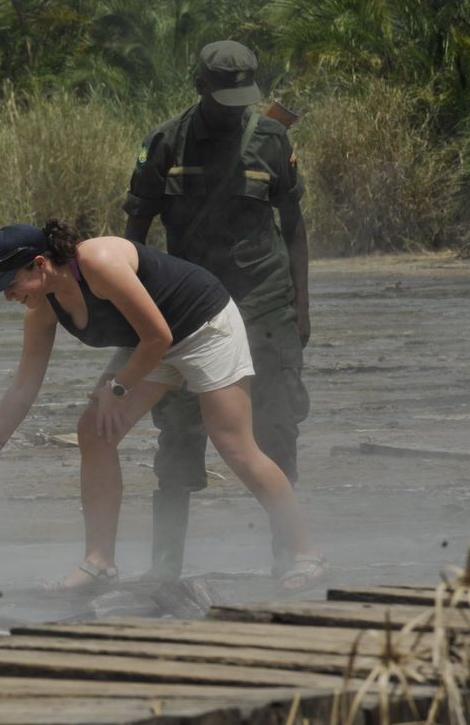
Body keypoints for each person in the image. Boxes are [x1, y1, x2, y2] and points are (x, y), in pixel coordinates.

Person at [0, 220, 323, 592]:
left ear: (39, 264)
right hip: (152, 346)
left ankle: (308, 553)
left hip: (204, 327)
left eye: (10, 285)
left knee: (235, 445)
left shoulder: (99, 262)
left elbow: (158, 336)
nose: (8, 296)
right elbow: (25, 384)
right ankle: (99, 563)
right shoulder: (42, 307)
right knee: (94, 431)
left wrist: (117, 388)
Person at [123, 40, 311, 583]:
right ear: (199, 87)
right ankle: (164, 570)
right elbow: (135, 235)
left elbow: (294, 227)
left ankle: (288, 558)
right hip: (189, 311)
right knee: (178, 435)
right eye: (224, 96)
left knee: (276, 431)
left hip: (266, 304)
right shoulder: (164, 143)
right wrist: (134, 317)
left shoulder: (273, 140)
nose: (236, 108)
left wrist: (301, 307)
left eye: (243, 97)